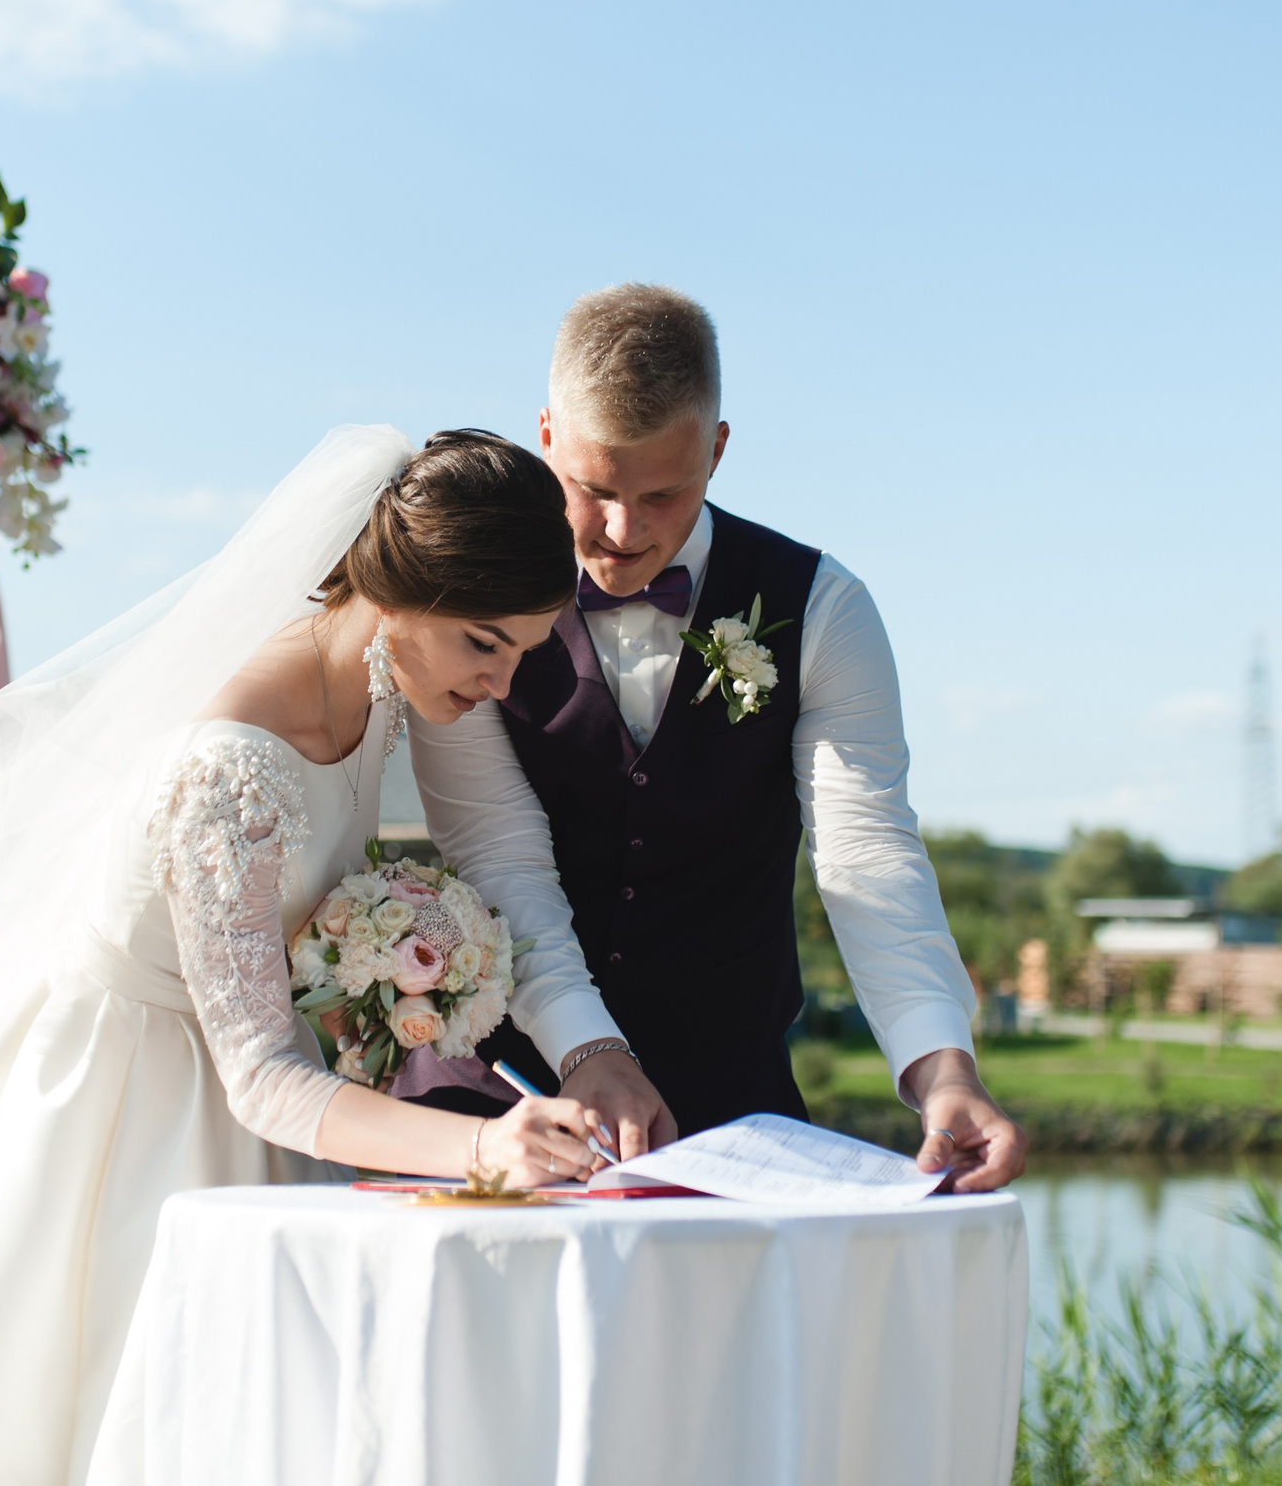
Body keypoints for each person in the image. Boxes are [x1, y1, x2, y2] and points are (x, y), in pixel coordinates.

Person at [0, 427, 611, 1486]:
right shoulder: (224, 761)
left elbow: (496, 842)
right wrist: (483, 1151)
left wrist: (576, 1041)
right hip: (115, 1110)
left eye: (524, 649)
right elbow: (259, 1076)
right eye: (488, 642)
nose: (503, 679)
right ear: (395, 594)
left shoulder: (404, 677)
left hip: (249, 1082)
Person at [406, 285, 1027, 1191]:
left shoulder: (823, 608)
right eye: (592, 489)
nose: (623, 531)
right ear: (545, 435)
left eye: (663, 492)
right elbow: (500, 854)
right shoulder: (462, 598)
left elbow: (866, 851)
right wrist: (586, 1050)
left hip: (731, 1121)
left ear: (720, 449)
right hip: (492, 1096)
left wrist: (943, 1067)